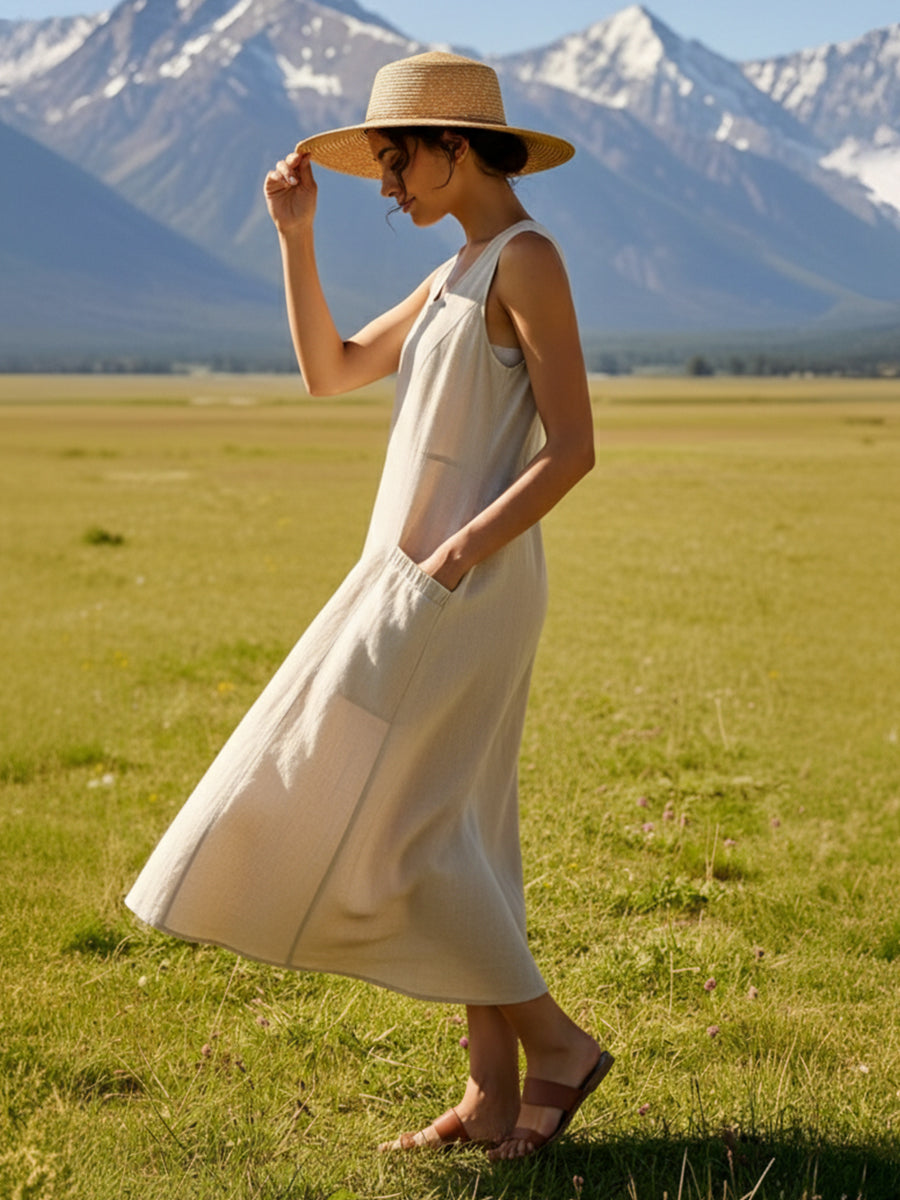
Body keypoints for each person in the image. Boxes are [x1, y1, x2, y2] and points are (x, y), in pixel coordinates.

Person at [125, 50, 611, 1161]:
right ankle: (493, 1092)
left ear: (456, 145)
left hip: (462, 585)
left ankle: (559, 1045)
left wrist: (454, 556)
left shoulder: (525, 261)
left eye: (396, 158)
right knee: (459, 829)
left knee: (408, 827)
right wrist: (295, 239)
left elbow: (576, 448)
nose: (384, 183)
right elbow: (331, 369)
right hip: (410, 578)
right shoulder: (457, 271)